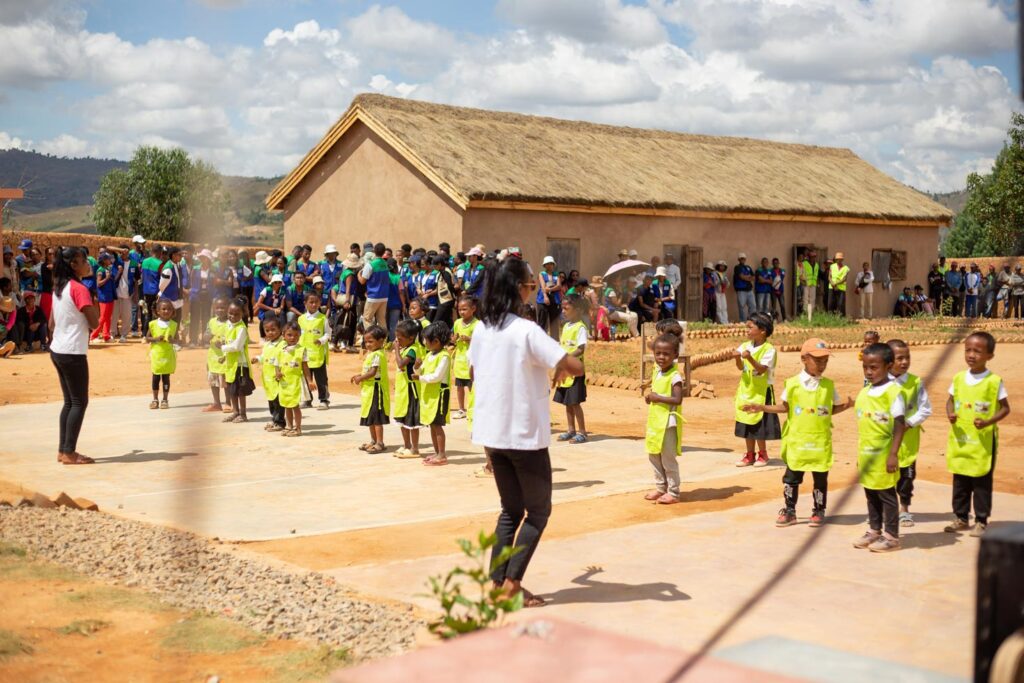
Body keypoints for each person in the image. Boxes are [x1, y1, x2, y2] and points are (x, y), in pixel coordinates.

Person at [468, 256, 583, 608]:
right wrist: (571, 360)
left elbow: (475, 373)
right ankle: (512, 583)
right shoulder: (527, 330)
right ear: (519, 289)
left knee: (510, 510)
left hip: (492, 433)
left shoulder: (481, 329)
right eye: (532, 284)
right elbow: (572, 365)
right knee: (538, 512)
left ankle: (495, 582)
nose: (534, 289)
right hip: (524, 435)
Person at [744, 338, 851, 527]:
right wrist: (761, 407)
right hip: (798, 441)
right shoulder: (793, 384)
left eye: (825, 361)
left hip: (819, 441)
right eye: (817, 360)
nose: (822, 365)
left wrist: (847, 406)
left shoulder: (828, 385)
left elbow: (830, 409)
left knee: (820, 477)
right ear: (804, 359)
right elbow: (784, 407)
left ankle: (818, 510)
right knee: (792, 477)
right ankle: (790, 510)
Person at [944, 331, 1011, 537]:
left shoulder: (994, 381)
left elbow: (1005, 408)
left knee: (981, 481)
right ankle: (961, 517)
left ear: (989, 355)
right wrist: (951, 414)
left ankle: (981, 520)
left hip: (982, 442)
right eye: (968, 350)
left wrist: (988, 422)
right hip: (962, 441)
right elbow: (950, 400)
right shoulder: (958, 378)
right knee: (960, 480)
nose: (971, 355)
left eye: (977, 351)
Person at [851, 343, 906, 553]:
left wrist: (893, 454)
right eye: (865, 367)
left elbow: (900, 425)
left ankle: (891, 536)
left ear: (889, 366)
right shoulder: (865, 392)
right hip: (866, 454)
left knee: (886, 495)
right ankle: (874, 530)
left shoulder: (893, 392)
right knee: (871, 493)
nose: (869, 372)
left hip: (884, 455)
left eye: (874, 367)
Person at [48, 247, 99, 465]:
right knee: (79, 402)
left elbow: (51, 323)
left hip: (58, 349)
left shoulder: (59, 287)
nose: (88, 264)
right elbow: (95, 323)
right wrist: (94, 303)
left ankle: (63, 450)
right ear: (73, 265)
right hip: (73, 352)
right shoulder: (79, 289)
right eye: (83, 261)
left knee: (69, 402)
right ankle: (69, 452)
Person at [888, 340, 932, 528]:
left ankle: (904, 508)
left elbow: (925, 409)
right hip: (885, 441)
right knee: (886, 476)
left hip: (907, 442)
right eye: (900, 358)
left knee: (906, 477)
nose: (905, 362)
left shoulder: (915, 383)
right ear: (888, 361)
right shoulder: (879, 383)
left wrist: (909, 423)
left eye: (907, 357)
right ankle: (887, 510)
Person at [641, 333, 685, 505]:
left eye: (666, 354)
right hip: (655, 421)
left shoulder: (675, 376)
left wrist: (657, 397)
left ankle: (673, 492)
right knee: (654, 455)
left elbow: (677, 399)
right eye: (658, 353)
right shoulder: (657, 371)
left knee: (667, 458)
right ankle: (661, 487)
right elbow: (656, 393)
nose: (661, 357)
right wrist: (650, 397)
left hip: (668, 423)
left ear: (675, 355)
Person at [733, 312, 780, 468]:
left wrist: (750, 358)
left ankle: (763, 453)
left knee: (760, 424)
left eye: (750, 327)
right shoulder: (745, 346)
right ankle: (749, 454)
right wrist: (736, 358)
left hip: (762, 391)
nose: (747, 331)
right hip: (746, 390)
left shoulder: (769, 350)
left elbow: (762, 369)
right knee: (747, 422)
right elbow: (740, 367)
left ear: (762, 331)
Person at [554, 295, 589, 444]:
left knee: (575, 402)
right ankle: (570, 430)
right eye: (562, 308)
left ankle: (582, 432)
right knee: (567, 402)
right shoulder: (566, 326)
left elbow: (581, 349)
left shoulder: (580, 327)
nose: (563, 311)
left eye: (566, 308)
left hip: (575, 372)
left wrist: (566, 357)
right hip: (564, 371)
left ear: (578, 310)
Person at [416, 321, 452, 466]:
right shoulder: (429, 355)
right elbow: (421, 372)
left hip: (439, 395)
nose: (424, 342)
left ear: (436, 341)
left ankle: (442, 454)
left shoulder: (444, 356)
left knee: (437, 425)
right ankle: (437, 452)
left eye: (426, 340)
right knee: (431, 423)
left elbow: (436, 376)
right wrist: (417, 368)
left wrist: (420, 377)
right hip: (429, 394)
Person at [351, 325, 390, 453]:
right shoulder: (371, 354)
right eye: (365, 341)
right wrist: (359, 375)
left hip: (376, 390)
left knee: (376, 417)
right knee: (370, 417)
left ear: (380, 341)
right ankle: (373, 440)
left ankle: (380, 442)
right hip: (369, 390)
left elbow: (373, 372)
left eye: (370, 341)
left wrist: (360, 378)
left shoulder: (378, 355)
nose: (367, 344)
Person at [217, 301, 252, 423]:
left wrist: (222, 348)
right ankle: (235, 412)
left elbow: (236, 346)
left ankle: (243, 414)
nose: (232, 316)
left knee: (240, 391)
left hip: (240, 365)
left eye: (236, 314)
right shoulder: (228, 325)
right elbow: (227, 342)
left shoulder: (242, 328)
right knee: (232, 390)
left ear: (243, 314)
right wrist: (224, 356)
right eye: (230, 313)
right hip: (231, 364)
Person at [392, 319, 423, 459]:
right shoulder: (406, 348)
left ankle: (415, 448)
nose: (398, 341)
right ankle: (406, 445)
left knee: (412, 421)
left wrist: (396, 350)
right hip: (402, 390)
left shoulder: (412, 350)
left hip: (411, 390)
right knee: (402, 419)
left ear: (411, 338)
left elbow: (401, 365)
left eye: (400, 339)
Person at [275, 321, 312, 437]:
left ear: (300, 335)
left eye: (296, 335)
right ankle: (289, 426)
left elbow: (305, 367)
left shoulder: (302, 350)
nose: (293, 338)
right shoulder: (281, 350)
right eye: (289, 335)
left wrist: (310, 381)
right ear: (283, 335)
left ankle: (298, 428)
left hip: (296, 382)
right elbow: (277, 364)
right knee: (287, 405)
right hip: (284, 382)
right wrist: (278, 373)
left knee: (295, 405)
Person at [252, 315, 287, 432]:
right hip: (268, 378)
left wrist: (280, 372)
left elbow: (284, 359)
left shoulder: (283, 344)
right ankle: (274, 418)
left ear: (280, 329)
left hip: (277, 377)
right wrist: (258, 358)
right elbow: (264, 356)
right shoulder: (267, 344)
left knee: (278, 401)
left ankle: (280, 422)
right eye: (267, 330)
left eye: (273, 330)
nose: (270, 333)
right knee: (271, 400)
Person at [299, 292, 330, 411]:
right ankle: (307, 399)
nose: (313, 304)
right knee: (306, 377)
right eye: (311, 302)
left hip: (317, 354)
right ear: (305, 303)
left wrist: (321, 340)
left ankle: (324, 399)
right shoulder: (301, 319)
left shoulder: (322, 318)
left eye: (316, 302)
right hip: (304, 353)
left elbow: (328, 333)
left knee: (321, 378)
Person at [145, 298, 177, 409]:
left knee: (166, 377)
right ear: (158, 311)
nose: (166, 311)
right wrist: (156, 339)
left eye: (169, 309)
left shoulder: (173, 325)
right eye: (163, 309)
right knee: (155, 377)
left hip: (167, 355)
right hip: (157, 355)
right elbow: (147, 338)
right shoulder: (153, 324)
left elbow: (178, 340)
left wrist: (172, 340)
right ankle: (155, 399)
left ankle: (165, 399)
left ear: (172, 311)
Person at [200, 296, 230, 414]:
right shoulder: (211, 322)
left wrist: (224, 342)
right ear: (214, 308)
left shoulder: (230, 322)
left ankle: (228, 402)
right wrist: (208, 337)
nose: (220, 310)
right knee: (213, 380)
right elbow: (205, 336)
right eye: (217, 307)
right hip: (213, 356)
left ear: (228, 308)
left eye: (223, 307)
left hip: (226, 356)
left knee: (226, 380)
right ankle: (217, 403)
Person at [451, 295, 478, 420]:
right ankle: (461, 409)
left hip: (471, 359)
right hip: (459, 359)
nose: (461, 312)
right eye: (460, 310)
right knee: (459, 386)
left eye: (464, 309)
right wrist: (454, 339)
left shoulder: (477, 324)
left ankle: (473, 408)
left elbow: (480, 341)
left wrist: (469, 339)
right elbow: (454, 337)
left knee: (471, 385)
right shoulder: (457, 323)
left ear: (473, 309)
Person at [536, 255, 562, 339]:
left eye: (551, 263)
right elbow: (543, 286)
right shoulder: (541, 274)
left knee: (554, 321)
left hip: (554, 299)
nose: (549, 265)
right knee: (542, 320)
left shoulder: (556, 274)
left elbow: (559, 286)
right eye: (547, 263)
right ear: (544, 265)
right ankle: (541, 339)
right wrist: (545, 296)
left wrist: (550, 290)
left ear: (553, 264)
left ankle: (555, 340)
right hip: (542, 299)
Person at [732, 253, 755, 322]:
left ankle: (751, 321)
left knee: (753, 306)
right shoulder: (737, 267)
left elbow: (753, 277)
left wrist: (746, 277)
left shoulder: (748, 267)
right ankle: (743, 321)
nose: (743, 259)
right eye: (741, 258)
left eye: (744, 258)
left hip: (749, 290)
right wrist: (748, 277)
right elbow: (741, 276)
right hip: (741, 290)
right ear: (738, 259)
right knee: (742, 307)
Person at [799, 250, 819, 321]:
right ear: (808, 257)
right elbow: (800, 274)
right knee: (805, 301)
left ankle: (810, 317)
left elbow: (816, 275)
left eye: (814, 257)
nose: (813, 258)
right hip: (806, 285)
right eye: (812, 257)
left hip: (813, 285)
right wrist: (803, 282)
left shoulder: (816, 265)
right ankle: (805, 316)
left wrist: (817, 283)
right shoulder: (804, 264)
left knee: (812, 301)